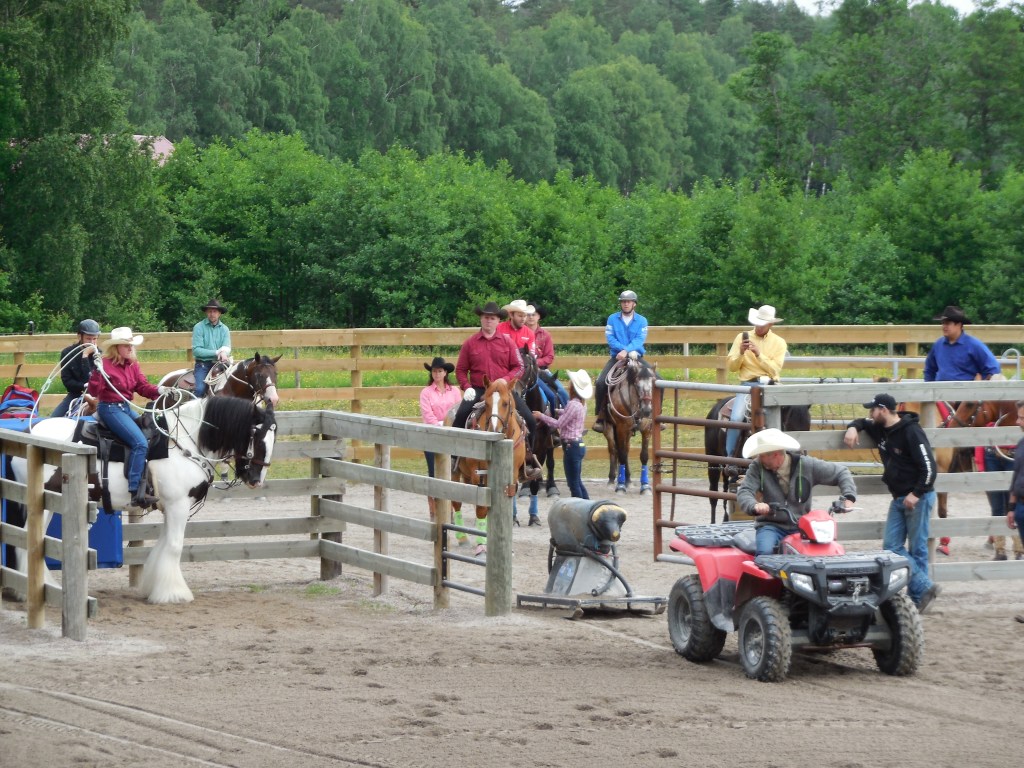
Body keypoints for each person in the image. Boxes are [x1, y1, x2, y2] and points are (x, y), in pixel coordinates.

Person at [843, 394, 941, 613]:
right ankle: (924, 589)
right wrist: (852, 427)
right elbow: (861, 423)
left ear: (883, 410)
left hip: (917, 498)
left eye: (872, 410)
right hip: (899, 496)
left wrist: (916, 493)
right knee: (892, 547)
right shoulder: (881, 429)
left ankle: (918, 599)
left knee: (916, 548)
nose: (870, 414)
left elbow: (929, 467)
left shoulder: (911, 432)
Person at [924, 305, 1001, 556]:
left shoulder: (974, 345)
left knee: (969, 426)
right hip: (941, 396)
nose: (944, 327)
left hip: (965, 399)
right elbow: (929, 370)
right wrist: (929, 391)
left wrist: (978, 390)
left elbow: (993, 369)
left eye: (949, 323)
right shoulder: (939, 346)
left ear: (959, 325)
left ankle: (970, 456)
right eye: (943, 323)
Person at [453, 301, 540, 481]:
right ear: (481, 319)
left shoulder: (507, 342)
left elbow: (519, 366)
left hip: (504, 390)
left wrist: (506, 380)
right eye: (485, 317)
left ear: (497, 320)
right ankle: (455, 456)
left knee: (530, 420)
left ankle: (528, 460)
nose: (488, 321)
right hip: (480, 389)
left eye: (492, 318)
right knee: (460, 416)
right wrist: (466, 386)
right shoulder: (470, 343)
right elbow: (460, 369)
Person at [735, 428, 857, 556]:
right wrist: (754, 505)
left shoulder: (807, 464)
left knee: (822, 553)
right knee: (765, 552)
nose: (759, 458)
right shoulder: (757, 467)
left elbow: (841, 472)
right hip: (771, 525)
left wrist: (848, 498)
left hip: (802, 526)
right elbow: (745, 491)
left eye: (762, 455)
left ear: (776, 454)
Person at [87, 327, 169, 509]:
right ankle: (135, 490)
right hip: (109, 408)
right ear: (116, 347)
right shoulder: (105, 364)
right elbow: (94, 391)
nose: (130, 348)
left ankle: (145, 479)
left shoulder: (132, 364)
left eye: (131, 345)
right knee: (140, 443)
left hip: (124, 408)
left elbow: (142, 386)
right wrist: (96, 372)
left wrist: (160, 391)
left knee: (151, 432)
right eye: (126, 345)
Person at [724, 305, 788, 459]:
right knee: (736, 418)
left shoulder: (779, 342)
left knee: (791, 415)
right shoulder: (741, 337)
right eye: (757, 323)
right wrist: (740, 352)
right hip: (748, 386)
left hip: (771, 386)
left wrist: (759, 355)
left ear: (770, 324)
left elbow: (775, 370)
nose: (759, 327)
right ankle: (730, 457)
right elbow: (732, 367)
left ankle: (793, 454)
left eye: (762, 324)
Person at [593, 290, 648, 433]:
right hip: (617, 357)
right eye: (623, 301)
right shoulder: (612, 319)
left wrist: (627, 351)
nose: (626, 304)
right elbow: (610, 339)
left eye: (628, 301)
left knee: (657, 380)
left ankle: (655, 415)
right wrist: (623, 351)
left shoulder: (642, 321)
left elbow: (639, 340)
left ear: (634, 304)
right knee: (600, 382)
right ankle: (600, 415)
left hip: (637, 356)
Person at [533, 369, 593, 500]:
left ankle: (580, 508)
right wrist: (558, 411)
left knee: (573, 484)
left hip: (571, 446)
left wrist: (541, 415)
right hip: (578, 444)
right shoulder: (581, 404)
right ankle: (588, 506)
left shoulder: (572, 404)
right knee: (577, 481)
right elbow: (568, 414)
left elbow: (558, 424)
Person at [419, 356, 462, 518]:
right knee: (433, 471)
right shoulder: (426, 392)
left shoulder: (455, 391)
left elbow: (459, 410)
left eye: (439, 371)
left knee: (453, 471)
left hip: (451, 434)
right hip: (432, 434)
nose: (436, 374)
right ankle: (434, 507)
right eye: (434, 371)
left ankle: (449, 506)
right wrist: (442, 425)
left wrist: (450, 426)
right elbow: (427, 415)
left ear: (445, 373)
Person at [52, 319, 101, 417]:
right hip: (75, 394)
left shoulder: (100, 355)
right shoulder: (67, 353)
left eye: (94, 339)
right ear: (80, 336)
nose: (92, 342)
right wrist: (85, 355)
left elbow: (93, 381)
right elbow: (67, 382)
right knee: (54, 417)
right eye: (88, 339)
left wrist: (86, 356)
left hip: (96, 396)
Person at [525, 304, 568, 410]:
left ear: (538, 317)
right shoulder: (521, 334)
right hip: (525, 371)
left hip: (542, 371)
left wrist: (535, 362)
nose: (530, 317)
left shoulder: (545, 335)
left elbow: (549, 357)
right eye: (528, 315)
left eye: (533, 315)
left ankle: (568, 419)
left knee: (562, 391)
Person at [1006, 402, 1024, 623]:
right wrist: (1011, 507)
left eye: (1021, 418)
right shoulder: (1021, 444)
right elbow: (1016, 478)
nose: (1018, 422)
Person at [192, 299, 232, 397]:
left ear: (219, 313)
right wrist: (217, 352)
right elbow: (197, 350)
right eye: (209, 311)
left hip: (221, 365)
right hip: (203, 365)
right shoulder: (199, 327)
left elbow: (227, 346)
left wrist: (223, 352)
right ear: (206, 312)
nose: (212, 314)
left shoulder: (225, 329)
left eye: (215, 311)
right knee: (200, 389)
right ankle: (194, 409)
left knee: (233, 387)